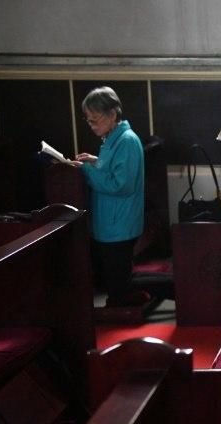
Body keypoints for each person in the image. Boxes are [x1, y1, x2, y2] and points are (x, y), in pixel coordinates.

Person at [73, 86, 147, 307]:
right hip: (112, 222)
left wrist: (87, 171)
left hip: (119, 223)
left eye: (95, 119)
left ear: (113, 114)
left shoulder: (126, 140)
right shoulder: (113, 138)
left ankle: (130, 302)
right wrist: (95, 161)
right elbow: (113, 168)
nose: (91, 125)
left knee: (119, 284)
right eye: (88, 120)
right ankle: (125, 299)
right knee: (115, 278)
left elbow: (120, 184)